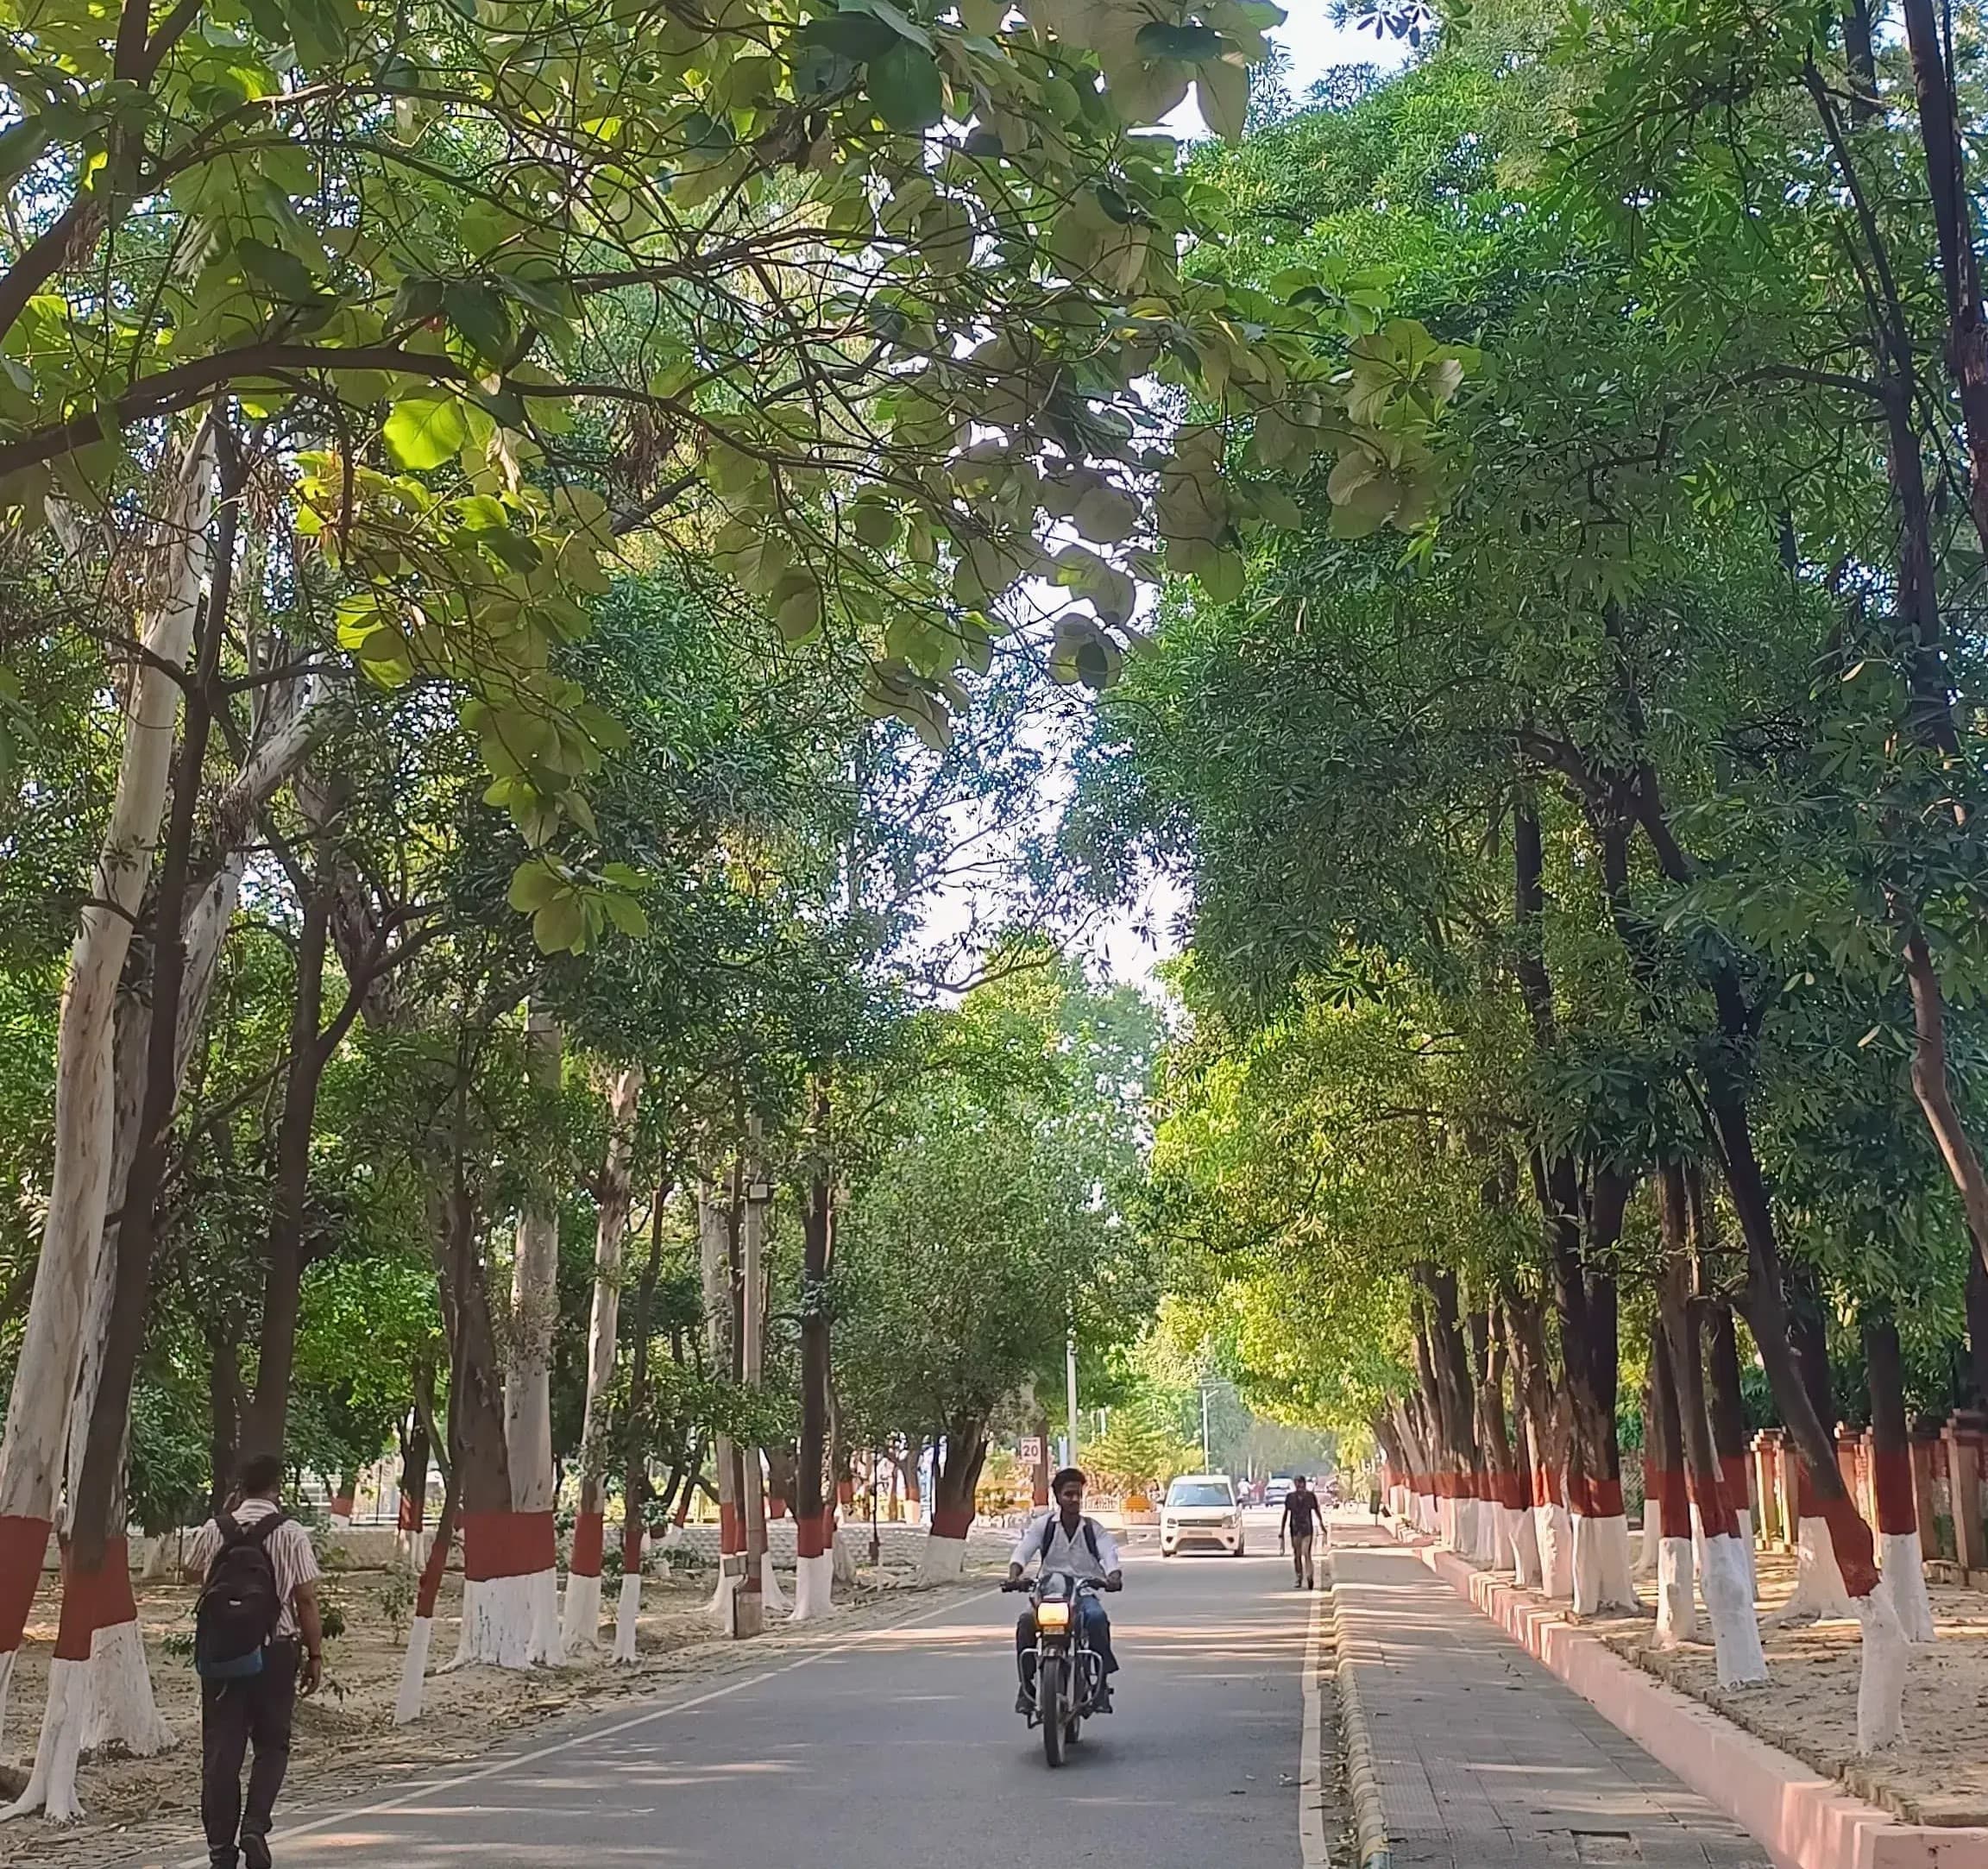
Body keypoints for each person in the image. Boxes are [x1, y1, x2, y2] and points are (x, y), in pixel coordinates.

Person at [186, 1454, 325, 1869]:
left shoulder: (215, 1529)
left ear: (239, 1488)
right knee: (272, 1745)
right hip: (275, 1653)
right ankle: (255, 1826)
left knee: (221, 1754)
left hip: (223, 1655)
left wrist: (226, 1524)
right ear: (276, 1488)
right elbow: (306, 1599)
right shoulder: (291, 1533)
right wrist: (315, 1654)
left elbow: (192, 1575)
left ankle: (220, 1850)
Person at [1008, 1466, 1123, 1715]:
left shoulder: (1093, 1528)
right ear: (1057, 1497)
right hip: (1049, 1592)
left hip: (1083, 1591)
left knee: (1097, 1618)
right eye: (1069, 1494)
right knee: (1026, 1622)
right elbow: (1023, 1552)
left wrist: (1113, 1576)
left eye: (1078, 1494)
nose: (1074, 1499)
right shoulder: (1044, 1526)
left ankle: (1101, 1685)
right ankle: (1025, 1688)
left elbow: (1109, 1553)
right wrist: (1014, 1576)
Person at [1280, 1472, 1326, 1589]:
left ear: (1304, 1484)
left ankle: (1310, 1576)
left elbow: (1317, 1511)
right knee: (1297, 1554)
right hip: (1295, 1529)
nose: (1299, 1486)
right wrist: (1282, 1531)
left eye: (1301, 1483)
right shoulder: (1290, 1497)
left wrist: (1321, 1524)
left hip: (1307, 1529)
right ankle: (1299, 1576)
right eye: (1297, 1483)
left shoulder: (1310, 1497)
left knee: (1306, 1552)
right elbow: (1285, 1514)